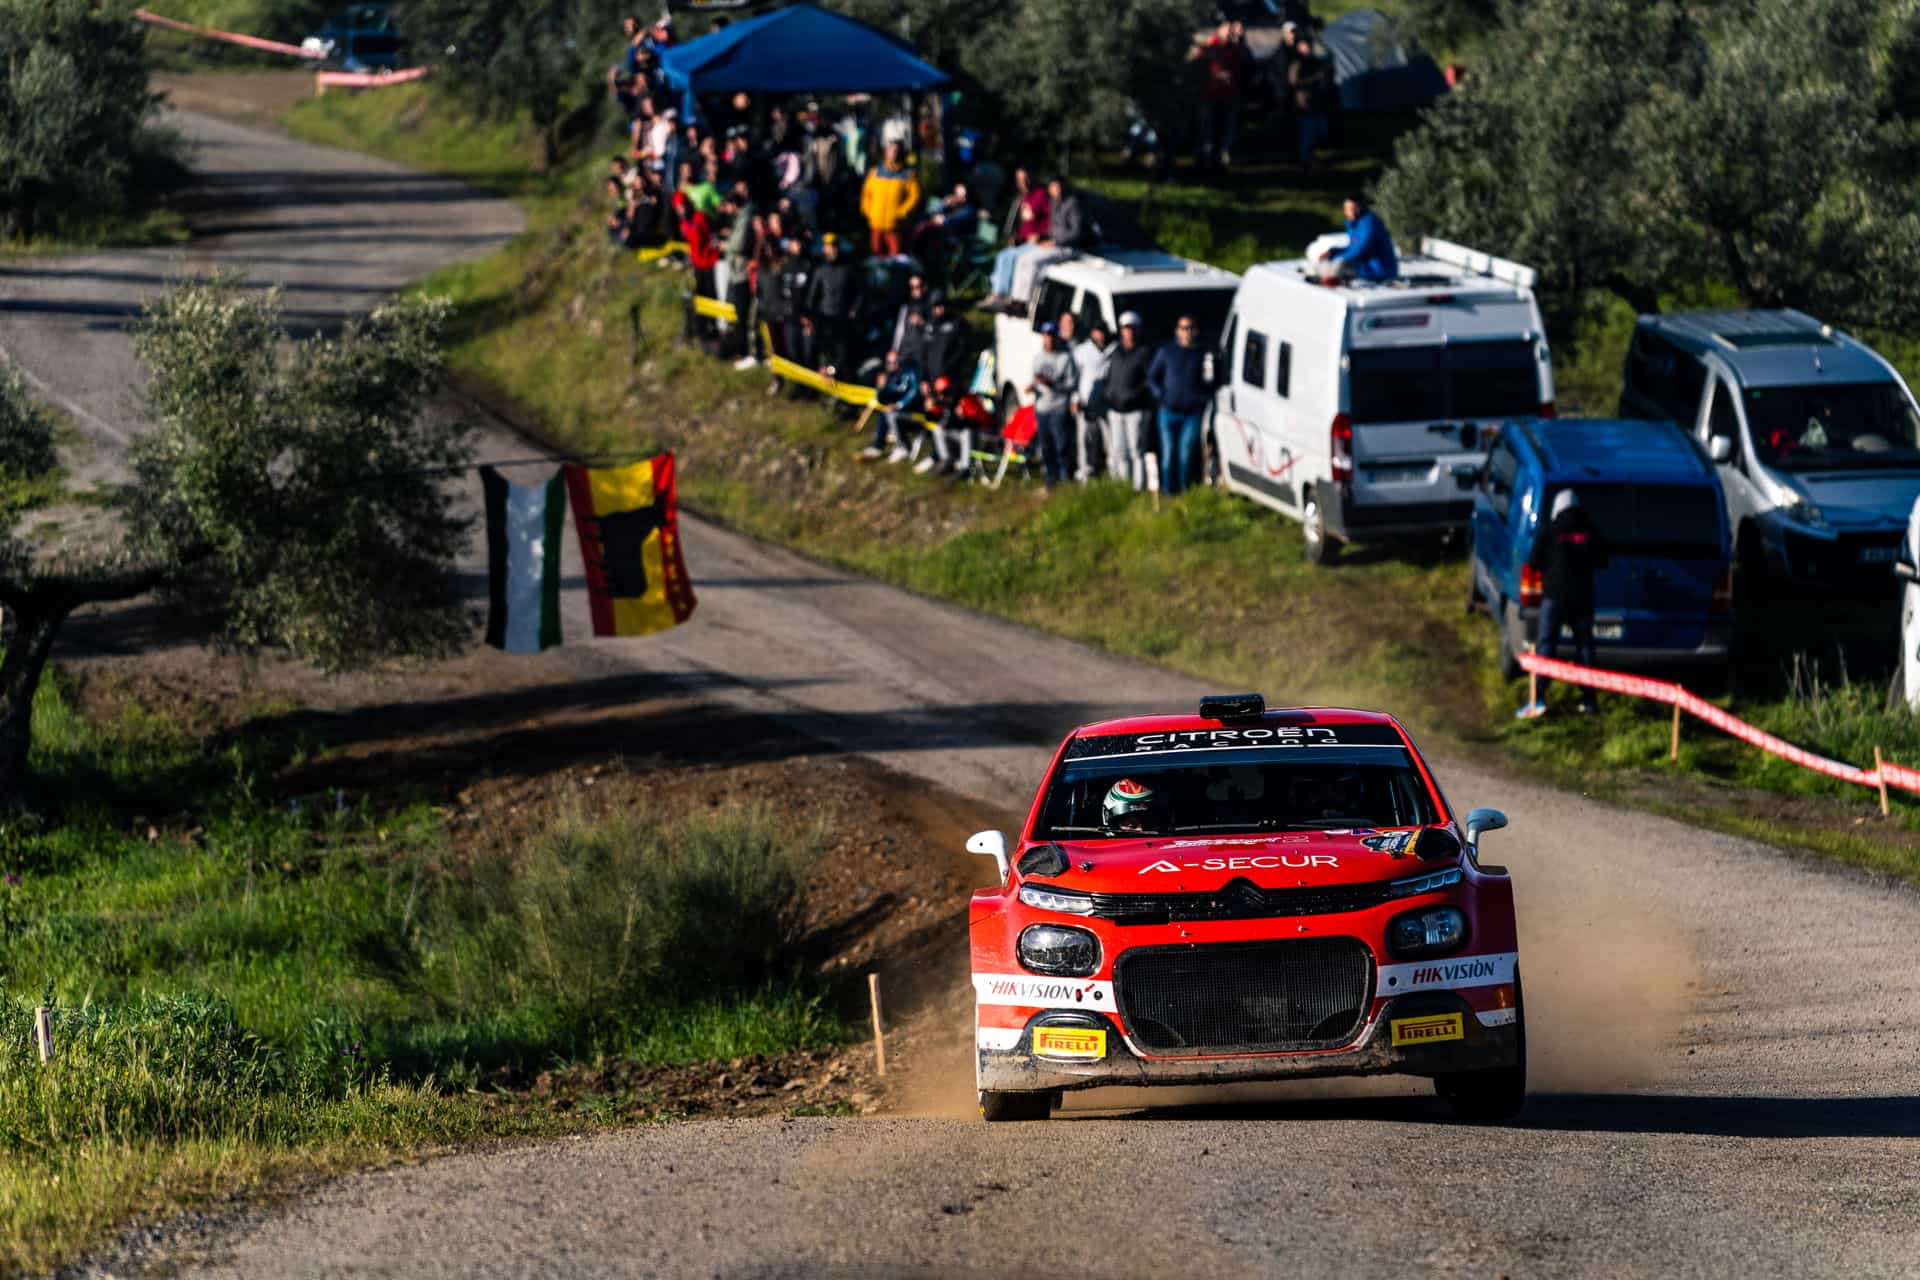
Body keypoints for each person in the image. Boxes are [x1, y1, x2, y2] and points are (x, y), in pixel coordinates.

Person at [1521, 489, 1605, 716]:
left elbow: (1534, 562)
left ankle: (1537, 696)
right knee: (1585, 647)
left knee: (1546, 644)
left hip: (1554, 597)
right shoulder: (1590, 530)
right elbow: (1603, 559)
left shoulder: (1549, 530)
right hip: (1582, 599)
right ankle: (1589, 699)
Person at [1147, 314, 1215, 497]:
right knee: (1168, 455)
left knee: (1185, 455)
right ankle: (1168, 492)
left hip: (1192, 414)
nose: (1187, 332)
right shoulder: (1166, 351)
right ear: (1177, 331)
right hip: (1168, 411)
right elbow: (1152, 377)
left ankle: (1185, 492)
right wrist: (1160, 395)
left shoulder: (1203, 354)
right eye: (1184, 328)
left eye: (1191, 328)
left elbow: (1210, 381)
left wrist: (1203, 397)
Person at [981, 168, 1050, 310]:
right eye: (1019, 179)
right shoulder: (1024, 197)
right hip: (1024, 239)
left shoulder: (1041, 195)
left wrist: (1042, 235)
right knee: (1003, 255)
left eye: (1024, 179)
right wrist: (1017, 236)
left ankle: (1002, 294)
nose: (1022, 182)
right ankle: (997, 292)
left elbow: (1051, 220)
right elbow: (1025, 223)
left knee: (1011, 257)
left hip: (1036, 241)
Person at [1104, 311, 1155, 490]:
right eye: (1126, 328)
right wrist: (1109, 393)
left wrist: (1135, 394)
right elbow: (1108, 375)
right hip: (1115, 408)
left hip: (1135, 409)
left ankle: (1138, 485)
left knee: (1136, 450)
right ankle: (1123, 484)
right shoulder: (1115, 351)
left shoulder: (1144, 353)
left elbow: (1149, 380)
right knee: (1119, 449)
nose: (1129, 332)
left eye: (1132, 329)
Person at [803, 233, 862, 378]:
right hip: (825, 319)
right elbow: (812, 297)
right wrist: (809, 318)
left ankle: (844, 386)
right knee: (825, 353)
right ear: (824, 249)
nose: (832, 250)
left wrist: (854, 311)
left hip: (843, 319)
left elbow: (859, 293)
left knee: (844, 356)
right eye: (829, 247)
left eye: (834, 247)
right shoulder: (820, 270)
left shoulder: (848, 268)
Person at [1193, 21, 1250, 170]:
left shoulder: (1235, 49)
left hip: (1229, 95)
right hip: (1210, 94)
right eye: (1226, 30)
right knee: (1208, 128)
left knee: (1224, 128)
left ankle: (1219, 158)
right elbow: (1200, 66)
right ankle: (1204, 157)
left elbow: (1242, 69)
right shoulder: (1211, 46)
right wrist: (1215, 75)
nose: (1228, 33)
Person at [1028, 322, 1078, 491]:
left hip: (1058, 407)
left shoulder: (1065, 358)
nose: (1048, 339)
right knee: (1045, 446)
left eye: (1051, 335)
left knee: (1062, 445)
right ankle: (1051, 477)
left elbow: (1072, 384)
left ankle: (1065, 478)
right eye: (1045, 335)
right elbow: (1035, 379)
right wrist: (1032, 386)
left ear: (1056, 337)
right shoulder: (1037, 357)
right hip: (1042, 408)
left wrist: (1053, 385)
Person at [1317, 195, 1399, 283]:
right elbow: (1353, 248)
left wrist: (1339, 258)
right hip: (1366, 266)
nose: (1345, 211)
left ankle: (1330, 279)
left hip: (1380, 270)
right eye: (1345, 208)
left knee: (1339, 264)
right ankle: (1327, 277)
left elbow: (1361, 250)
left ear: (1358, 208)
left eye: (1349, 208)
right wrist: (1332, 252)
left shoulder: (1369, 224)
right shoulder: (1354, 223)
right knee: (1329, 262)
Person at [860, 348, 923, 462]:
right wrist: (881, 387)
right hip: (898, 412)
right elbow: (882, 400)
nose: (891, 365)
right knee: (885, 412)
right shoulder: (888, 376)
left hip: (914, 413)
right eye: (889, 362)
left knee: (890, 413)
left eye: (894, 362)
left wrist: (899, 405)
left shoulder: (909, 373)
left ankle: (903, 447)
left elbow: (914, 392)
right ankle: (877, 446)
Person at [859, 141, 921, 258]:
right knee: (876, 257)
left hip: (895, 226)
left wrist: (902, 212)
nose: (894, 153)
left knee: (896, 259)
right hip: (876, 224)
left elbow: (914, 197)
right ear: (886, 152)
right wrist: (869, 212)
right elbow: (866, 195)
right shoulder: (875, 172)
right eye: (891, 150)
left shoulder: (908, 174)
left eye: (896, 151)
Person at [1287, 29, 1335, 174]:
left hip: (1315, 103)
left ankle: (1310, 161)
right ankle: (1305, 163)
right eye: (1304, 45)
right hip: (1304, 105)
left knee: (1316, 134)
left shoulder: (1313, 61)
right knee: (1307, 136)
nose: (1307, 47)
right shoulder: (1297, 63)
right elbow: (1294, 82)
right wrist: (1315, 79)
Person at [1072, 320, 1114, 482]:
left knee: (1109, 440)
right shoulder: (1081, 351)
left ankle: (1113, 471)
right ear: (1092, 333)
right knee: (1084, 440)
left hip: (1106, 403)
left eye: (1103, 332)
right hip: (1086, 402)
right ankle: (1085, 472)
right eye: (1097, 331)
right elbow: (1075, 378)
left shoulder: (1113, 349)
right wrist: (1075, 399)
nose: (1100, 335)